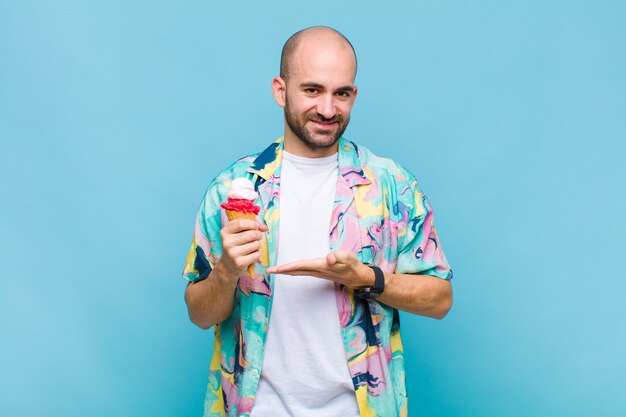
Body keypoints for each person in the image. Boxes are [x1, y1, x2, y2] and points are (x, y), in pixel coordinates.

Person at [182, 26, 453, 417]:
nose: (328, 109)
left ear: (353, 95)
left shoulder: (391, 186)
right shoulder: (232, 189)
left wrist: (369, 279)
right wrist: (226, 270)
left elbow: (441, 299)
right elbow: (198, 313)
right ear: (280, 90)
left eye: (341, 93)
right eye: (312, 90)